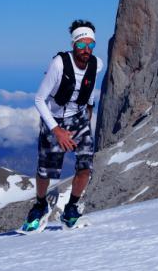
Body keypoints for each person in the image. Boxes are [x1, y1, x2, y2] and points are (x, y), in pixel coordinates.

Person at [20, 19, 104, 232]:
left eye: (90, 45)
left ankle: (71, 209)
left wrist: (89, 112)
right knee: (45, 171)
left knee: (85, 167)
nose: (86, 50)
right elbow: (39, 99)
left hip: (79, 119)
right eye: (82, 45)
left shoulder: (97, 64)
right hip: (54, 121)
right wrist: (56, 131)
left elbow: (90, 85)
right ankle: (40, 205)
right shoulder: (59, 64)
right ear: (74, 44)